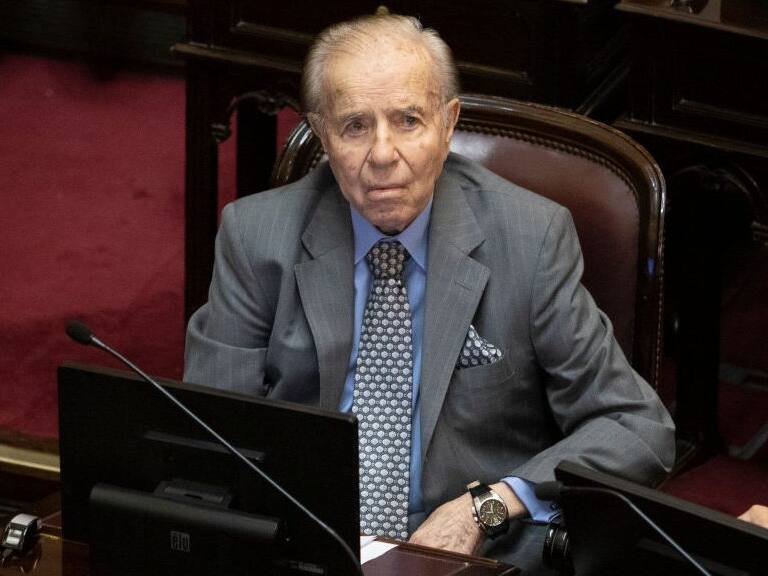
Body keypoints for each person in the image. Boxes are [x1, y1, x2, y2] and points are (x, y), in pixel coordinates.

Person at [184, 14, 675, 574]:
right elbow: (207, 428)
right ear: (322, 136)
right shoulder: (256, 236)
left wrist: (483, 510)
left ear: (448, 124)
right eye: (355, 127)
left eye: (409, 121)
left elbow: (636, 427)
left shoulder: (530, 238)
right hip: (306, 545)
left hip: (472, 553)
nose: (384, 154)